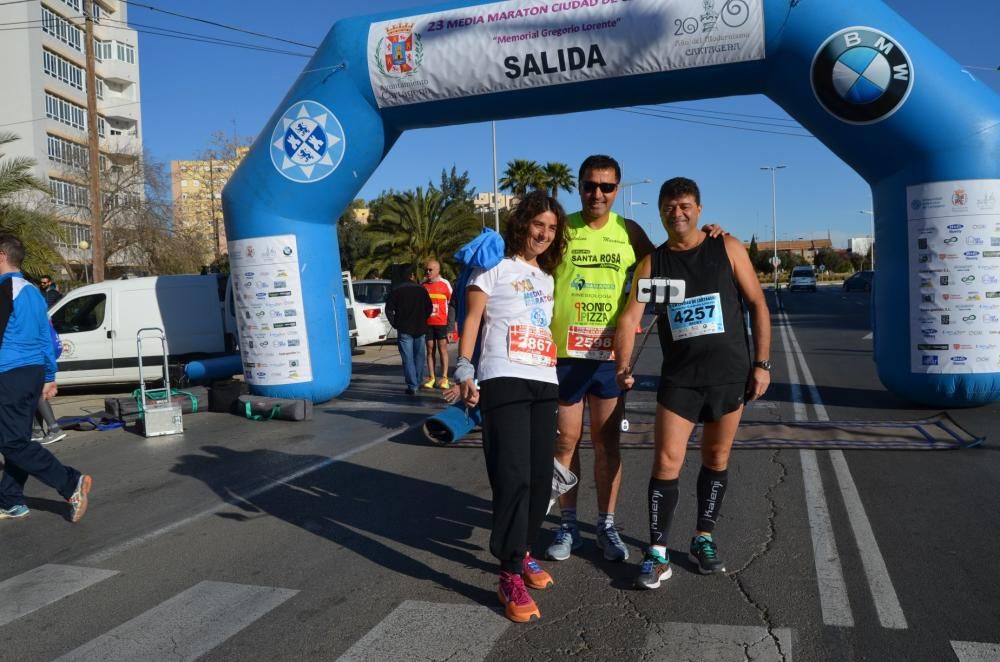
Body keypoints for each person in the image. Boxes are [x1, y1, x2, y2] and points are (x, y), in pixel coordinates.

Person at [613, 177, 771, 589]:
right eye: (669, 206)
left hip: (729, 375)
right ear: (661, 211)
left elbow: (757, 304)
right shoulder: (655, 264)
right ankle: (657, 552)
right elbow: (631, 318)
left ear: (699, 209)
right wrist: (623, 363)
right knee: (666, 461)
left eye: (685, 205)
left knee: (716, 459)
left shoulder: (727, 247)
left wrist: (762, 364)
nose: (677, 212)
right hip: (681, 379)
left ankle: (703, 538)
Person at [456, 191, 567, 623]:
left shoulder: (547, 277)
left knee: (541, 481)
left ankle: (522, 551)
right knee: (513, 475)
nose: (544, 233)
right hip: (503, 377)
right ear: (523, 223)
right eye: (538, 224)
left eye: (552, 228)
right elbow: (472, 319)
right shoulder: (493, 262)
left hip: (544, 380)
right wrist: (464, 368)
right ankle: (508, 573)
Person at [545, 154, 656, 563]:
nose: (598, 193)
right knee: (565, 441)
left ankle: (607, 525)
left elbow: (667, 263)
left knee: (607, 442)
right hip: (565, 354)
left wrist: (709, 237)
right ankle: (567, 524)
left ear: (617, 190)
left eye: (607, 187)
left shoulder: (629, 231)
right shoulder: (563, 228)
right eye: (590, 185)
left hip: (609, 357)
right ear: (579, 186)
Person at [0, 234, 91, 522]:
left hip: (9, 373)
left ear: (1, 256)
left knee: (13, 443)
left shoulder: (4, 290)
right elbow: (46, 336)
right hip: (31, 372)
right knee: (18, 438)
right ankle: (11, 499)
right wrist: (49, 376)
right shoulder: (32, 291)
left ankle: (69, 482)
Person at [385, 265, 433, 395]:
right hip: (420, 327)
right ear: (412, 275)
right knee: (419, 357)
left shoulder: (395, 290)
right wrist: (423, 318)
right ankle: (418, 381)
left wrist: (395, 323)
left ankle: (413, 385)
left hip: (404, 329)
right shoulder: (421, 290)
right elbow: (429, 308)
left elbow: (388, 310)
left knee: (408, 358)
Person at [421, 259, 453, 389]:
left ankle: (444, 378)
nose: (427, 272)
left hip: (441, 323)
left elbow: (452, 306)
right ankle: (432, 377)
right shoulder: (423, 286)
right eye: (426, 270)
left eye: (430, 270)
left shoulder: (445, 284)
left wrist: (451, 327)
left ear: (437, 270)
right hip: (428, 323)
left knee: (442, 349)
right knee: (429, 349)